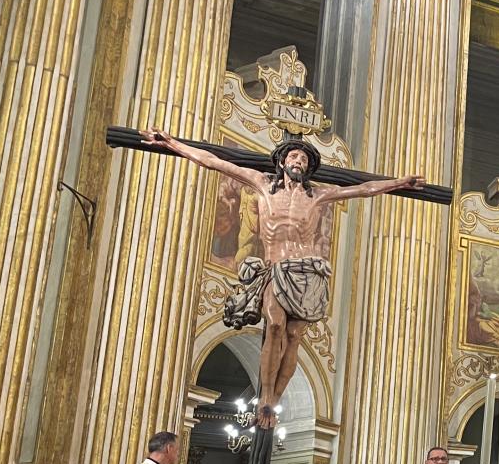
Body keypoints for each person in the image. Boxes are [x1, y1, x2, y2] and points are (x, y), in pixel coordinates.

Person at [142, 131, 422, 427]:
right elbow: (214, 162)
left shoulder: (318, 196)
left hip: (309, 272)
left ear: (308, 167)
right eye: (293, 156)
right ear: (282, 162)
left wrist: (399, 183)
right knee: (275, 325)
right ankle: (265, 398)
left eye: (303, 158)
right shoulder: (262, 186)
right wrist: (171, 143)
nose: (298, 161)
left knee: (294, 336)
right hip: (277, 268)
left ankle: (273, 402)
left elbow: (364, 189)